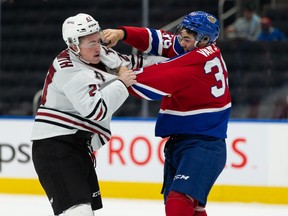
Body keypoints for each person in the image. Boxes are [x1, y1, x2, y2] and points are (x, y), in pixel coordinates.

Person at [103, 11, 231, 216]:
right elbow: (161, 40)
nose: (181, 42)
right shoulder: (201, 48)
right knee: (193, 208)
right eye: (181, 36)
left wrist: (114, 68)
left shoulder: (192, 65)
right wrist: (122, 33)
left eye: (186, 39)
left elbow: (144, 83)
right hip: (189, 142)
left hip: (202, 144)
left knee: (178, 203)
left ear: (203, 40)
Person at [30, 13, 139, 216]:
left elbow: (135, 64)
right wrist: (122, 83)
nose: (98, 47)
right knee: (79, 213)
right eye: (91, 43)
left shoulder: (102, 54)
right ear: (73, 45)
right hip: (55, 147)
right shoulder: (68, 69)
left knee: (85, 212)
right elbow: (95, 110)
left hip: (78, 146)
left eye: (98, 40)